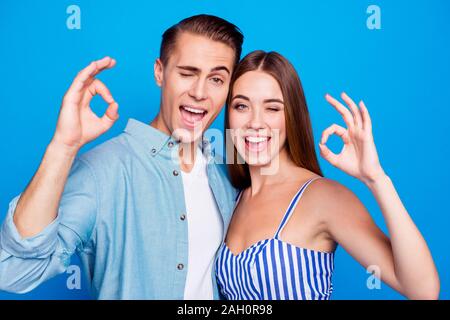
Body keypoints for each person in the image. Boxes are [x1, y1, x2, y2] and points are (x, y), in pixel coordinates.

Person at [0, 14, 243, 299]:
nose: (200, 92)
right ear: (159, 72)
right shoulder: (102, 170)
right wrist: (63, 147)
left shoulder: (227, 176)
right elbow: (13, 271)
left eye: (216, 78)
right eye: (187, 73)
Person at [215, 50, 440, 300]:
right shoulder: (231, 198)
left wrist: (375, 178)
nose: (255, 122)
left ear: (292, 116)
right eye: (242, 106)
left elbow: (423, 290)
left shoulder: (322, 197)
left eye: (272, 108)